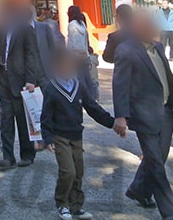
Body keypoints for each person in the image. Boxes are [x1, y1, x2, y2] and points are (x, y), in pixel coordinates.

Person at [112, 10, 173, 220]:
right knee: (155, 163)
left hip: (165, 110)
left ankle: (139, 190)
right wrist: (121, 116)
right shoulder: (126, 50)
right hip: (144, 114)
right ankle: (170, 213)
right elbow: (120, 84)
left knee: (160, 156)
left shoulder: (159, 47)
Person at [41, 47, 116, 220]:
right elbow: (46, 116)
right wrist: (47, 137)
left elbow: (93, 108)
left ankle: (76, 206)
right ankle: (62, 203)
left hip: (77, 135)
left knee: (79, 171)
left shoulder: (78, 86)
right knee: (68, 171)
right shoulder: (51, 88)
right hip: (60, 136)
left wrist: (112, 122)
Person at [0, 0, 41, 169]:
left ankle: (27, 154)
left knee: (22, 119)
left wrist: (31, 79)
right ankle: (8, 157)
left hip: (20, 79)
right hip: (3, 77)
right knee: (6, 118)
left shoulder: (25, 29)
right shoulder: (2, 27)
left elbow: (31, 55)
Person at [66, 5, 98, 101]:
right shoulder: (82, 24)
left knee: (79, 77)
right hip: (84, 54)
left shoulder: (71, 25)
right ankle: (91, 96)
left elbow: (72, 42)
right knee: (87, 76)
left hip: (75, 55)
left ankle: (83, 97)